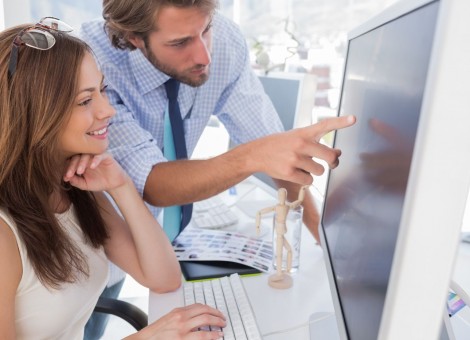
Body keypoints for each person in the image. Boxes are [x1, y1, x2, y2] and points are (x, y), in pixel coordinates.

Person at [80, 0, 355, 336]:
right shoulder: (93, 63)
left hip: (149, 250)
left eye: (206, 29)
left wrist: (323, 241)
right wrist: (250, 157)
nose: (204, 55)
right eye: (180, 42)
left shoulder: (222, 41)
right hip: (89, 244)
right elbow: (149, 181)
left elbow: (274, 146)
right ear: (134, 38)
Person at [0, 19, 227, 339]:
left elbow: (163, 278)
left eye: (102, 90)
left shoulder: (76, 187)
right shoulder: (4, 233)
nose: (108, 110)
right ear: (36, 114)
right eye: (85, 100)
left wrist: (120, 186)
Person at [255, 185, 308, 289]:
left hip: (282, 232)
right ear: (279, 196)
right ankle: (279, 273)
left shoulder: (287, 207)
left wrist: (302, 189)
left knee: (289, 251)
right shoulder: (276, 207)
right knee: (280, 254)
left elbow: (299, 201)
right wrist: (258, 225)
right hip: (279, 233)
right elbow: (259, 212)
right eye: (281, 195)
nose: (283, 197)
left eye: (284, 195)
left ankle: (286, 270)